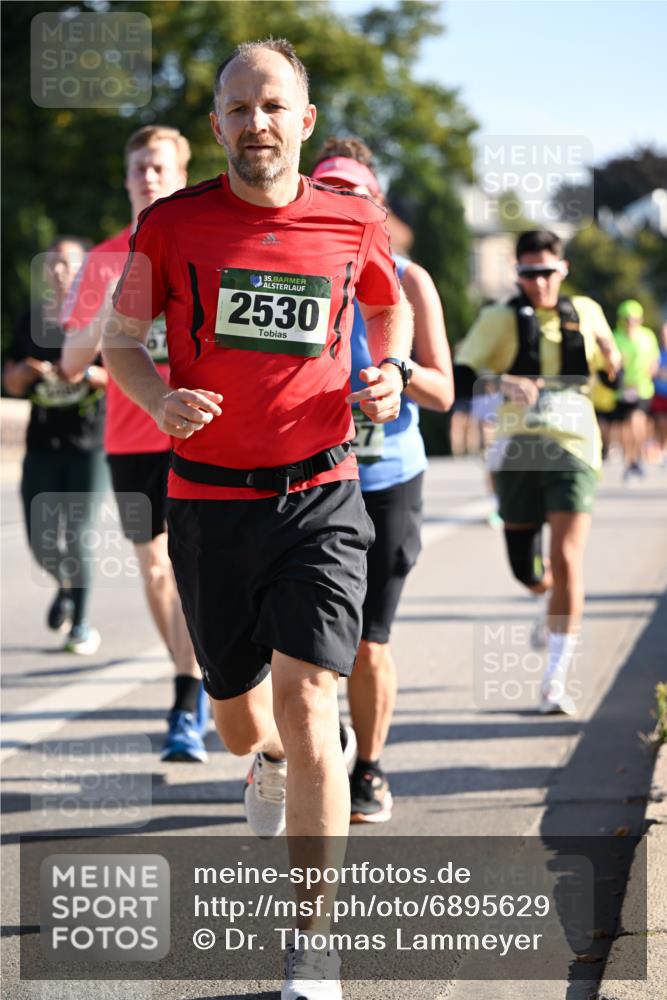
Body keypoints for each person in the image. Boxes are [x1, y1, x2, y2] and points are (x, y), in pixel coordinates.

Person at [103, 38, 412, 1000]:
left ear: (303, 120)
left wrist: (386, 372)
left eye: (272, 106)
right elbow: (120, 341)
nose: (256, 124)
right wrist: (157, 400)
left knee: (312, 696)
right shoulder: (171, 225)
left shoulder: (352, 222)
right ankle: (264, 763)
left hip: (322, 490)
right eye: (238, 109)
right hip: (206, 502)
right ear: (217, 126)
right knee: (242, 724)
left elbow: (385, 309)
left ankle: (309, 940)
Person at [311, 138, 453, 823]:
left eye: (354, 195)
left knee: (369, 639)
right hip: (309, 473)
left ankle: (367, 766)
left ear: (378, 207)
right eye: (326, 191)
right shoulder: (294, 272)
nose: (341, 206)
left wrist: (394, 375)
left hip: (388, 476)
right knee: (293, 638)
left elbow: (444, 390)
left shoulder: (409, 277)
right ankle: (301, 744)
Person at [60, 126, 209, 762]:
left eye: (160, 167)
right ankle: (191, 684)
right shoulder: (101, 259)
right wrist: (116, 299)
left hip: (201, 429)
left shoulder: (204, 244)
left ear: (181, 175)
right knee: (155, 569)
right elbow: (69, 365)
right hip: (131, 437)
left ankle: (190, 694)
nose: (148, 177)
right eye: (139, 168)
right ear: (126, 179)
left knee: (200, 568)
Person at [454, 229, 621, 715]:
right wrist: (502, 382)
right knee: (529, 573)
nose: (539, 283)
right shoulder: (499, 317)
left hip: (574, 446)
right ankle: (546, 601)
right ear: (517, 272)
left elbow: (612, 366)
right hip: (517, 451)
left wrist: (612, 363)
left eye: (547, 272)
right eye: (529, 273)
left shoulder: (585, 311)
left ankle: (555, 680)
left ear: (562, 270)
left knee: (568, 559)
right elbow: (463, 374)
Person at [3, 237, 108, 654]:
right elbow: (8, 380)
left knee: (79, 534)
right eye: (54, 265)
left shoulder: (99, 319)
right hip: (42, 443)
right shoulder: (31, 319)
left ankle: (80, 624)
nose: (62, 272)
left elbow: (119, 376)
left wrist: (79, 375)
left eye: (71, 265)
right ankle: (66, 586)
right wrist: (27, 373)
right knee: (41, 540)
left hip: (89, 446)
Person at [612, 299, 660, 481]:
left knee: (637, 422)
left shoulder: (647, 336)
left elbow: (654, 360)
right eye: (627, 319)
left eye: (634, 319)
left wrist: (651, 370)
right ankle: (630, 460)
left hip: (642, 388)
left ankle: (637, 455)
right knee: (625, 427)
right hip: (622, 389)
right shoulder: (616, 337)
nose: (630, 323)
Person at [650, 323, 667, 465]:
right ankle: (661, 447)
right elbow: (652, 370)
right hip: (659, 393)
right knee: (660, 422)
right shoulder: (656, 352)